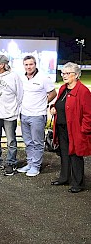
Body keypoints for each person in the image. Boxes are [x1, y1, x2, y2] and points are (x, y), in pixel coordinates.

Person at [50, 62, 91, 193]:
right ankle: (64, 178)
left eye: (68, 73)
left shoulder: (83, 91)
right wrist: (53, 108)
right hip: (62, 128)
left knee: (75, 155)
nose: (64, 76)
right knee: (64, 154)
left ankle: (78, 183)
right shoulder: (63, 88)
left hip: (76, 129)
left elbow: (88, 114)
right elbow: (58, 104)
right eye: (63, 73)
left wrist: (84, 130)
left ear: (77, 75)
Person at [18, 55, 57, 177]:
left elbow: (53, 93)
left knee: (37, 142)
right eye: (26, 64)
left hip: (37, 115)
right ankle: (30, 163)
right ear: (23, 65)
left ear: (35, 65)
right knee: (28, 142)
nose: (29, 67)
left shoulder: (43, 78)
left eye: (31, 64)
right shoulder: (21, 78)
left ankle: (36, 166)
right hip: (24, 114)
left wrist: (44, 103)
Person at [0, 54, 23, 176]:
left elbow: (20, 94)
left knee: (11, 141)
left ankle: (11, 162)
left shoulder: (13, 76)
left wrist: (14, 109)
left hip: (9, 114)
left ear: (2, 65)